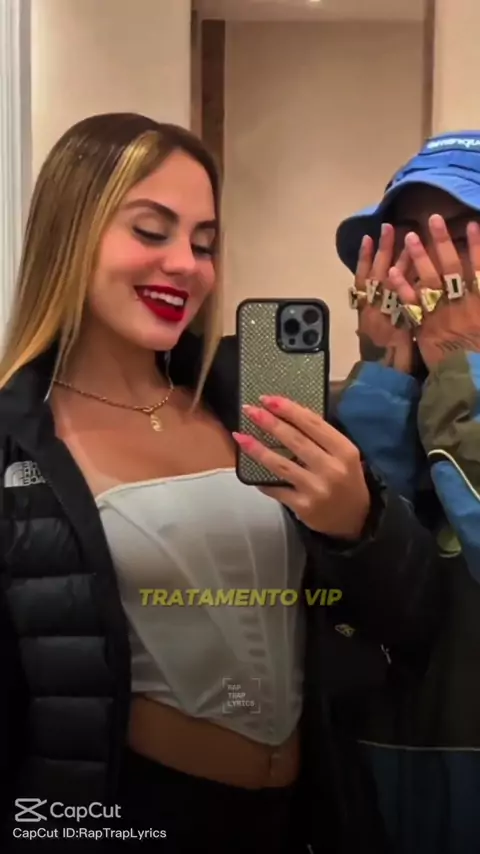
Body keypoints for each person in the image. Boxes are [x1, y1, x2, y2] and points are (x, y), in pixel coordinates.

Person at [0, 113, 440, 854]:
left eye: (203, 243)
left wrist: (359, 524)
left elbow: (410, 616)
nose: (186, 264)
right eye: (151, 231)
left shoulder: (255, 401)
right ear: (70, 235)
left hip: (306, 818)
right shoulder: (19, 440)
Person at [335, 130, 480, 854]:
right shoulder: (371, 402)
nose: (425, 266)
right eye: (404, 243)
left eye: (455, 238)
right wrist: (385, 392)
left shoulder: (451, 393)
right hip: (378, 792)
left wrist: (459, 367)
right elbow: (381, 604)